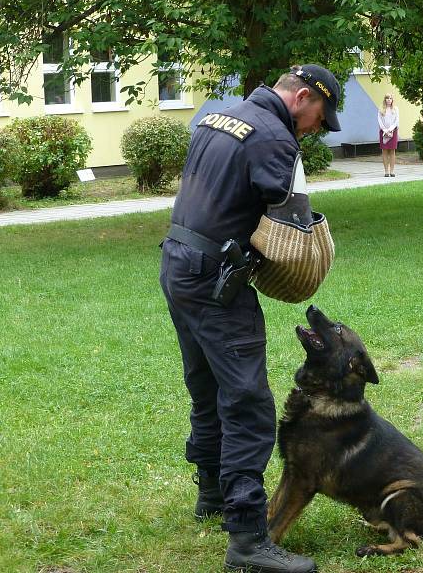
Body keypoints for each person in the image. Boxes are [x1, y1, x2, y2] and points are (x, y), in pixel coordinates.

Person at [159, 63, 342, 573]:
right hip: (218, 279)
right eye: (316, 117)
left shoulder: (221, 116)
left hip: (177, 264)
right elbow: (293, 225)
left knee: (207, 386)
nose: (312, 129)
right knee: (248, 401)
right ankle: (247, 539)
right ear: (302, 96)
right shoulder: (273, 138)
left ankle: (212, 493)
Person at [378, 93, 399, 177]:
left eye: (390, 98)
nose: (389, 100)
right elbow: (379, 120)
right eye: (387, 98)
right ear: (385, 100)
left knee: (392, 151)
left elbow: (397, 120)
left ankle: (392, 171)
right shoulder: (381, 109)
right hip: (383, 132)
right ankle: (386, 171)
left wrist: (390, 129)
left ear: (392, 100)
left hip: (393, 131)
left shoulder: (395, 109)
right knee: (385, 151)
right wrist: (385, 130)